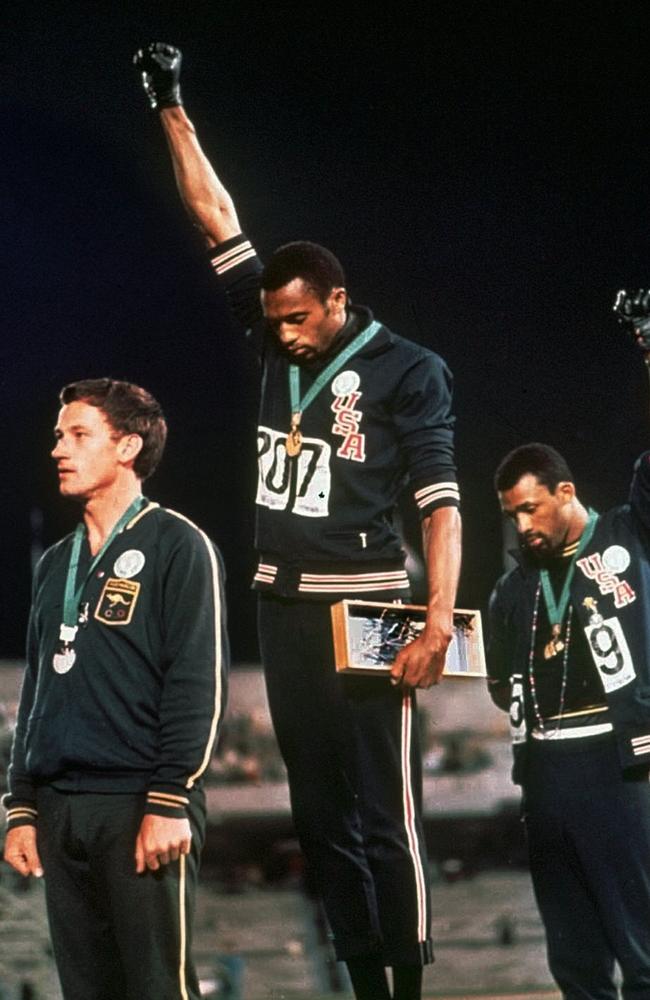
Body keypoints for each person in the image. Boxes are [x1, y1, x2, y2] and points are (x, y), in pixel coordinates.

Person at [133, 43, 461, 1000]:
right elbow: (217, 221)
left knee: (383, 812)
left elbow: (439, 502)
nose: (282, 334)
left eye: (300, 320)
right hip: (283, 604)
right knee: (317, 816)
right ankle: (364, 983)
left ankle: (407, 985)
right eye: (274, 321)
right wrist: (171, 105)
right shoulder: (272, 328)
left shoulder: (411, 370)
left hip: (368, 605)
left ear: (340, 301)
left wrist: (439, 617)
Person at [3, 378, 229, 1000]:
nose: (58, 450)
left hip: (140, 804)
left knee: (156, 987)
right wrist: (21, 806)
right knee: (86, 991)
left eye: (78, 436)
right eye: (58, 436)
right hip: (58, 809)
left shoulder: (180, 546)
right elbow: (37, 691)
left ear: (128, 447)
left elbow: (196, 684)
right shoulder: (55, 564)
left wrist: (170, 798)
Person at [486, 291, 650, 1000]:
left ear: (566, 492)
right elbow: (496, 683)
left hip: (618, 766)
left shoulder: (625, 534)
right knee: (576, 964)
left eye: (531, 507)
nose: (522, 525)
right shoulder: (510, 593)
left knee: (644, 948)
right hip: (542, 776)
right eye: (511, 514)